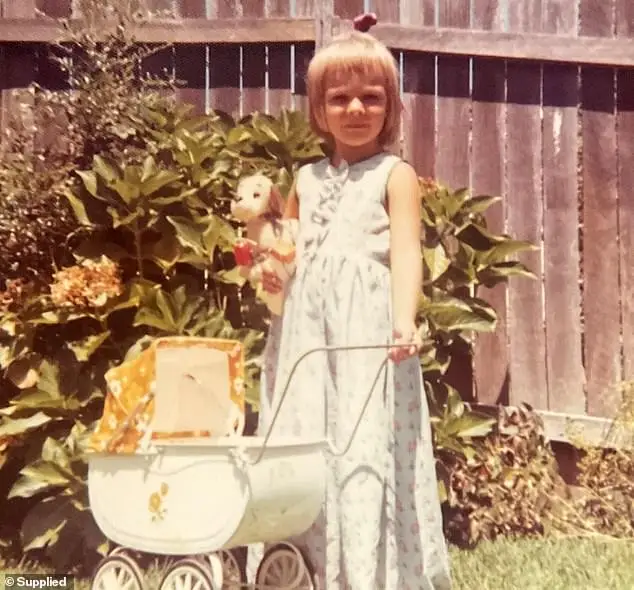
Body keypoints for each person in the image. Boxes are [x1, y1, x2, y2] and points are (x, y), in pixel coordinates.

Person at [244, 13, 452, 590]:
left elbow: (407, 252)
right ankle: (296, 569)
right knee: (303, 441)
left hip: (367, 337)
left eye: (371, 98)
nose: (356, 110)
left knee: (362, 446)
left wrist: (405, 319)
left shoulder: (396, 173)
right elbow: (286, 256)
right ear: (318, 110)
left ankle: (367, 574)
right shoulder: (305, 180)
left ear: (391, 108)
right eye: (340, 99)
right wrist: (269, 271)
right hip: (307, 337)